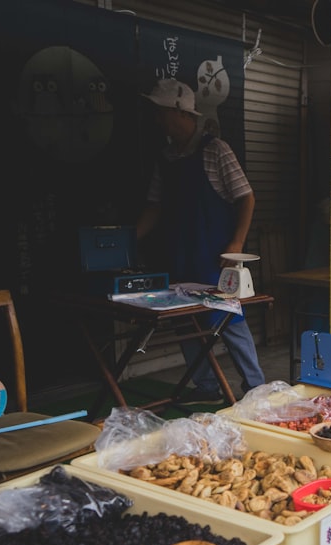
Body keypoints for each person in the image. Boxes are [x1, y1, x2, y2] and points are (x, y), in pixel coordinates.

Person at [136, 79, 265, 404]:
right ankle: (206, 387)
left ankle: (256, 389)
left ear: (181, 113)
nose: (158, 120)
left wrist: (236, 244)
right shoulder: (165, 157)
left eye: (162, 113)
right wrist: (130, 238)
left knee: (228, 319)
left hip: (215, 257)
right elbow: (155, 205)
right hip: (180, 254)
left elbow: (246, 198)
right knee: (185, 322)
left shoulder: (215, 150)